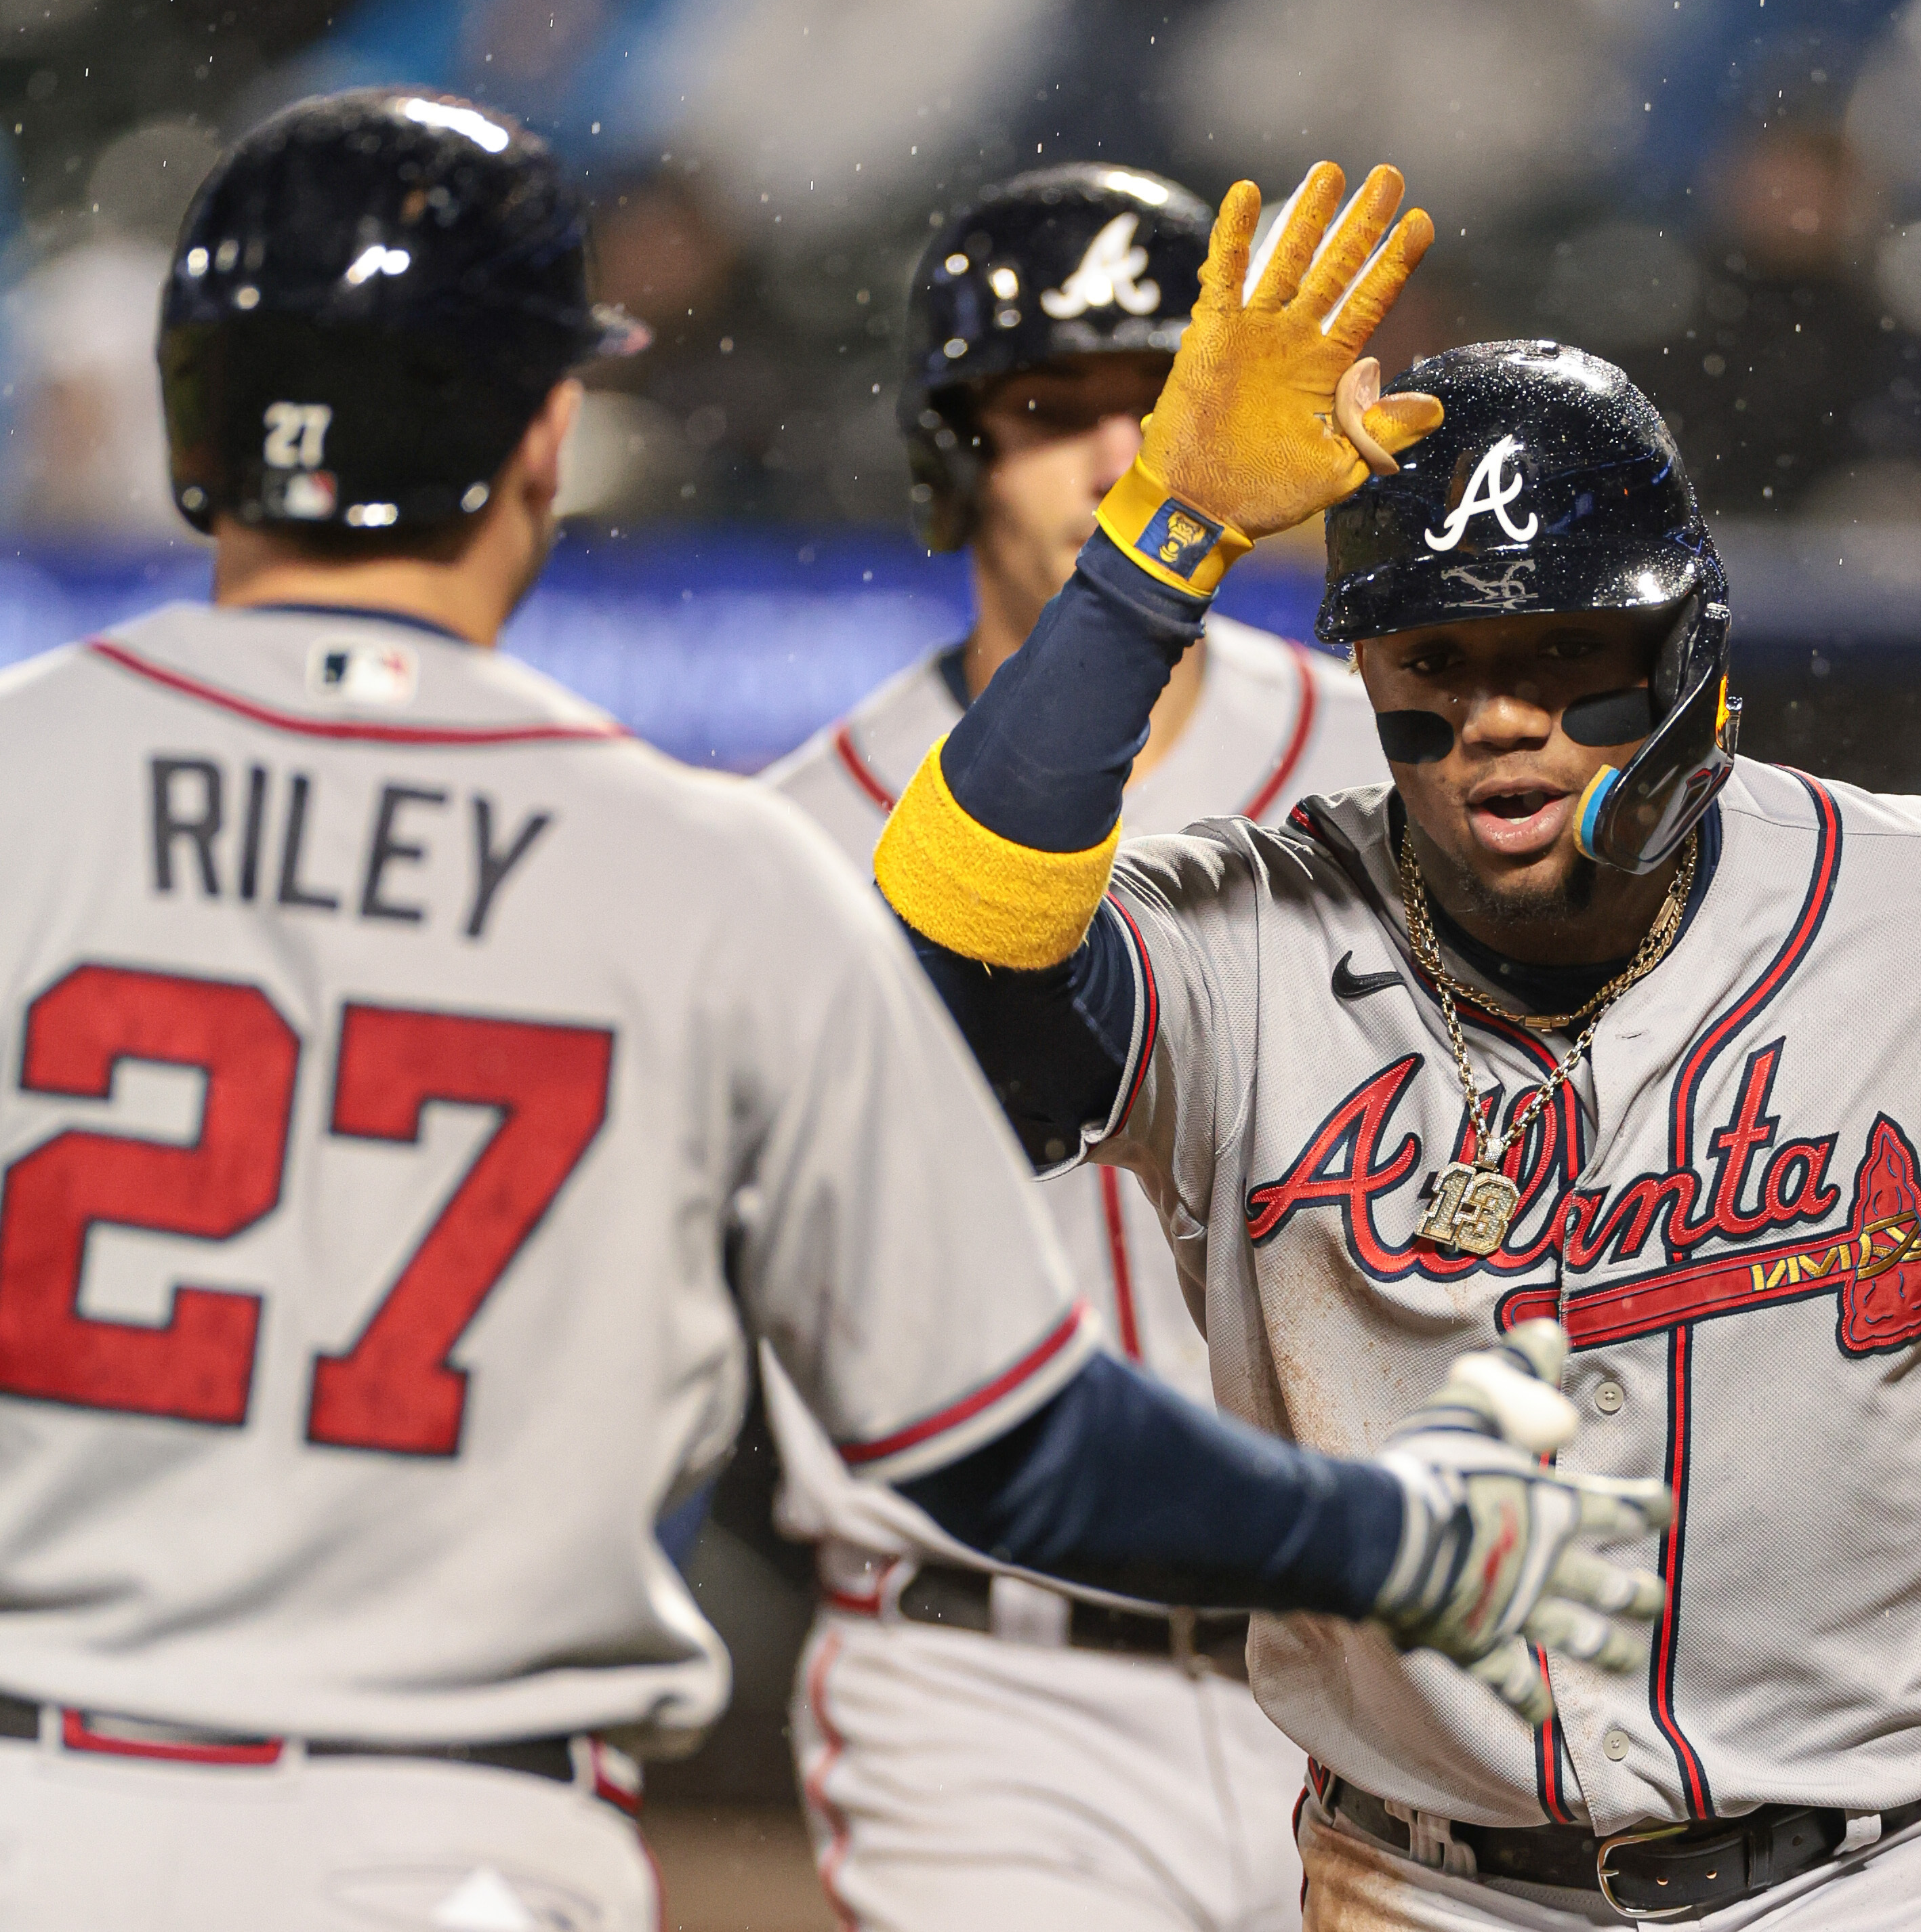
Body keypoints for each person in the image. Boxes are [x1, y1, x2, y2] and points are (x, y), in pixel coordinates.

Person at [0, 94, 1668, 1932]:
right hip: (468, 1833)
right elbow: (1000, 1434)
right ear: (548, 432)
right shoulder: (710, 863)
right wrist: (1403, 1535)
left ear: (186, 426)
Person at [873, 161, 1921, 1931]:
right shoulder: (1243, 940)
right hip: (1430, 1884)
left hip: (1884, 1872)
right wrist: (1164, 534)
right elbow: (946, 978)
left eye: (1566, 654)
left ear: (1691, 654)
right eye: (1436, 664)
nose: (1498, 722)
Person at [762, 163, 1380, 1932]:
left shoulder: (1393, 771)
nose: (1122, 456)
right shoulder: (792, 836)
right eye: (1053, 410)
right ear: (950, 453)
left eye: (1159, 399)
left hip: (1387, 1664)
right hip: (986, 1682)